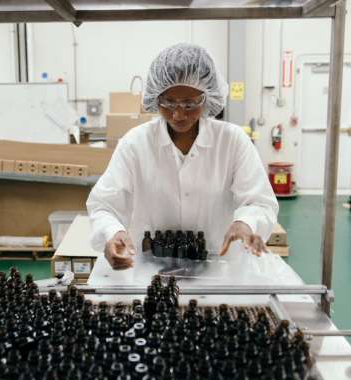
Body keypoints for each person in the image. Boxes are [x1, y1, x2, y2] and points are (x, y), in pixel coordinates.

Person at [87, 43, 278, 270]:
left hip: (218, 271)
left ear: (207, 97)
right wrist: (113, 232)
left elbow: (260, 201)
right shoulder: (135, 144)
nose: (178, 114)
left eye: (189, 103)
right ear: (155, 97)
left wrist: (245, 222)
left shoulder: (232, 141)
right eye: (168, 103)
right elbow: (103, 205)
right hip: (149, 273)